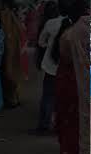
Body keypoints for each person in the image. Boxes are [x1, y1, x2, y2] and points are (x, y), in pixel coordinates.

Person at [53, 0, 88, 154]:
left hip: (69, 82)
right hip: (76, 84)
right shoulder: (81, 31)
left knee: (69, 124)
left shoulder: (68, 34)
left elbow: (60, 57)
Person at [30, 1, 65, 135]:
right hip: (67, 69)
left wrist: (50, 46)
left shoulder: (50, 24)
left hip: (51, 67)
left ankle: (44, 125)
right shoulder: (74, 25)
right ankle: (60, 125)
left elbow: (41, 42)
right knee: (64, 97)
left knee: (48, 97)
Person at [0, 0, 23, 109]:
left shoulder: (4, 14)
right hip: (13, 48)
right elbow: (20, 30)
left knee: (8, 73)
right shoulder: (11, 15)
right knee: (12, 73)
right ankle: (14, 98)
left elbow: (5, 32)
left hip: (8, 49)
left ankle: (11, 99)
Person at [35, 1, 59, 70]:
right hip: (49, 54)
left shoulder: (44, 21)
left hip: (45, 53)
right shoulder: (56, 22)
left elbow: (40, 42)